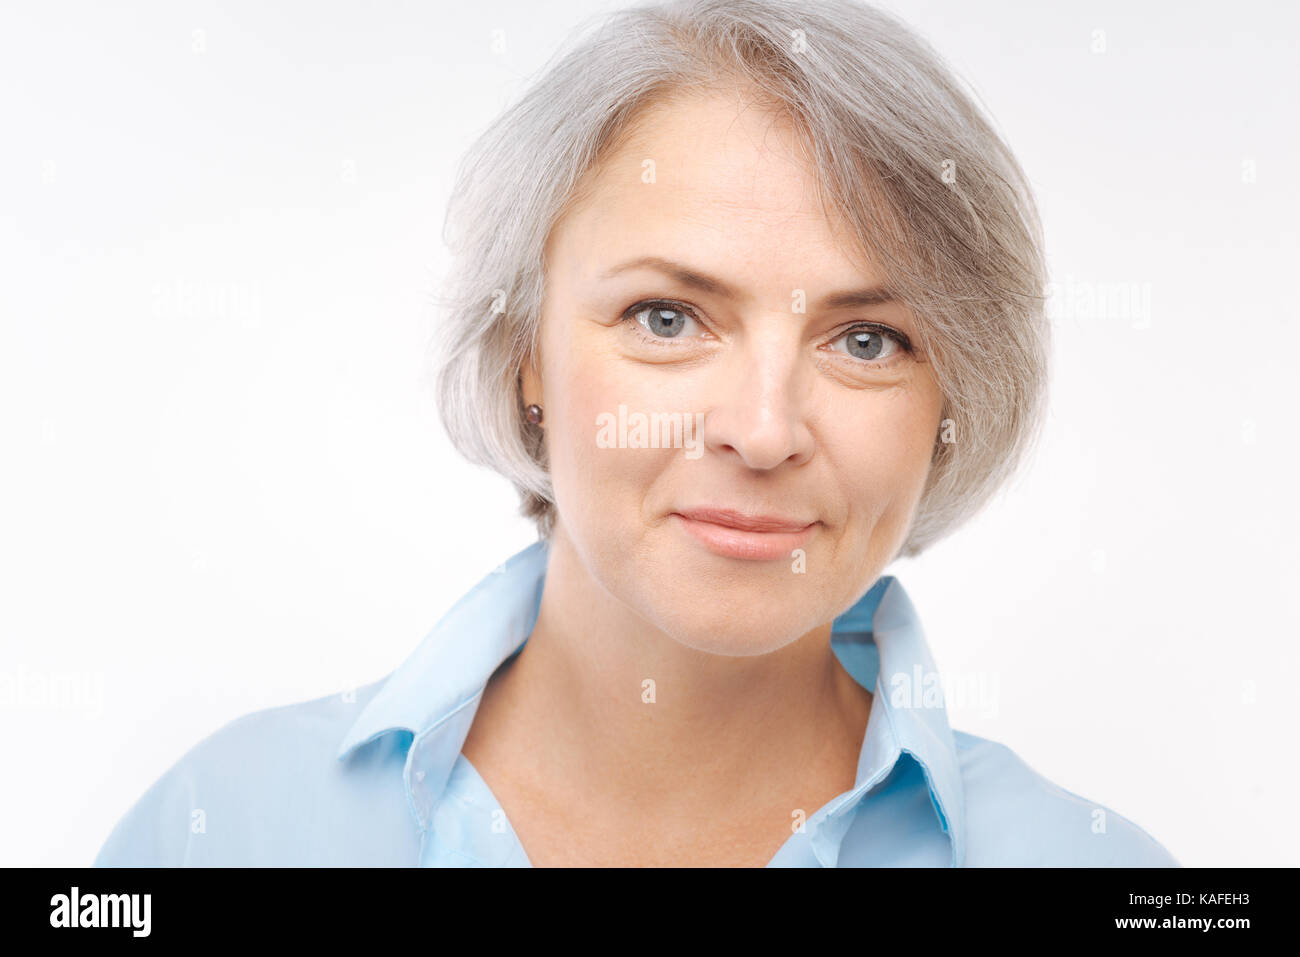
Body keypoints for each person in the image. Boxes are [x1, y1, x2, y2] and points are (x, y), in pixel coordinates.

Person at [95, 0, 1178, 867]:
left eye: (867, 341)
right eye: (666, 318)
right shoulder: (223, 830)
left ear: (949, 404)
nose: (761, 432)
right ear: (522, 351)